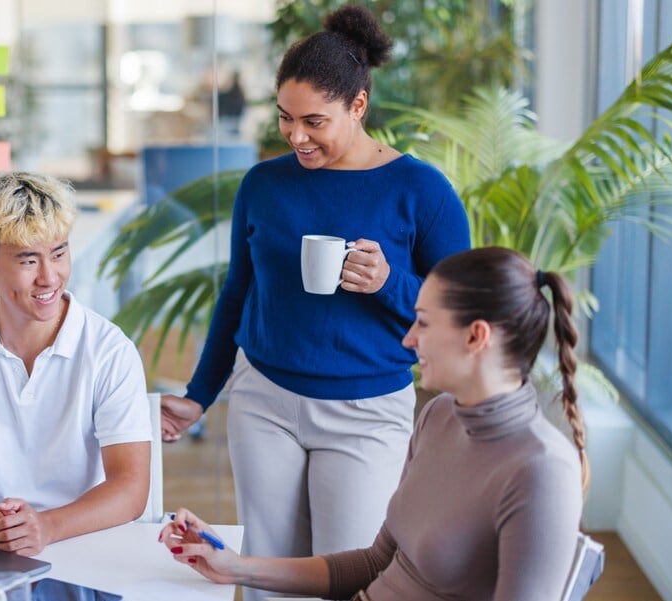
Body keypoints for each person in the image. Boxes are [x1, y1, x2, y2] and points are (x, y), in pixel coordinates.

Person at [158, 5, 470, 591]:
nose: (296, 136)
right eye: (285, 118)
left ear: (358, 106)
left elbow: (462, 314)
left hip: (368, 414)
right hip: (263, 402)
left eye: (314, 121)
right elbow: (238, 293)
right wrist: (200, 395)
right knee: (264, 575)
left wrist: (390, 285)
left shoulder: (421, 191)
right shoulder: (263, 184)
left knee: (349, 578)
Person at [162, 247, 588, 601]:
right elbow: (375, 563)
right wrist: (234, 566)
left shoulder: (542, 470)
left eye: (423, 322)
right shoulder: (440, 416)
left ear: (476, 336)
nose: (408, 339)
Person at [0, 172, 152, 557]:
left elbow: (132, 487)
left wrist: (45, 528)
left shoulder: (110, 351)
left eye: (59, 253)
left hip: (80, 538)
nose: (50, 277)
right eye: (28, 260)